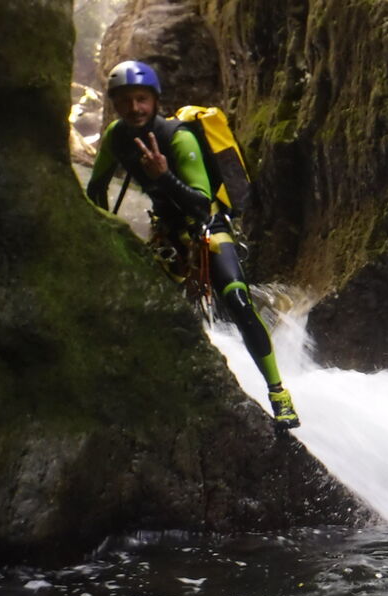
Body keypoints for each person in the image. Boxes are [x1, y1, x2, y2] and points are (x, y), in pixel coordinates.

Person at [86, 60, 300, 429]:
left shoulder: (178, 138)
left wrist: (163, 175)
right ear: (115, 104)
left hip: (205, 227)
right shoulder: (116, 138)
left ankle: (279, 394)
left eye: (141, 99)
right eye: (124, 101)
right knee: (142, 307)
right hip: (166, 232)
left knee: (235, 297)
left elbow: (201, 203)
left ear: (154, 101)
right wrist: (102, 231)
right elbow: (96, 186)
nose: (134, 108)